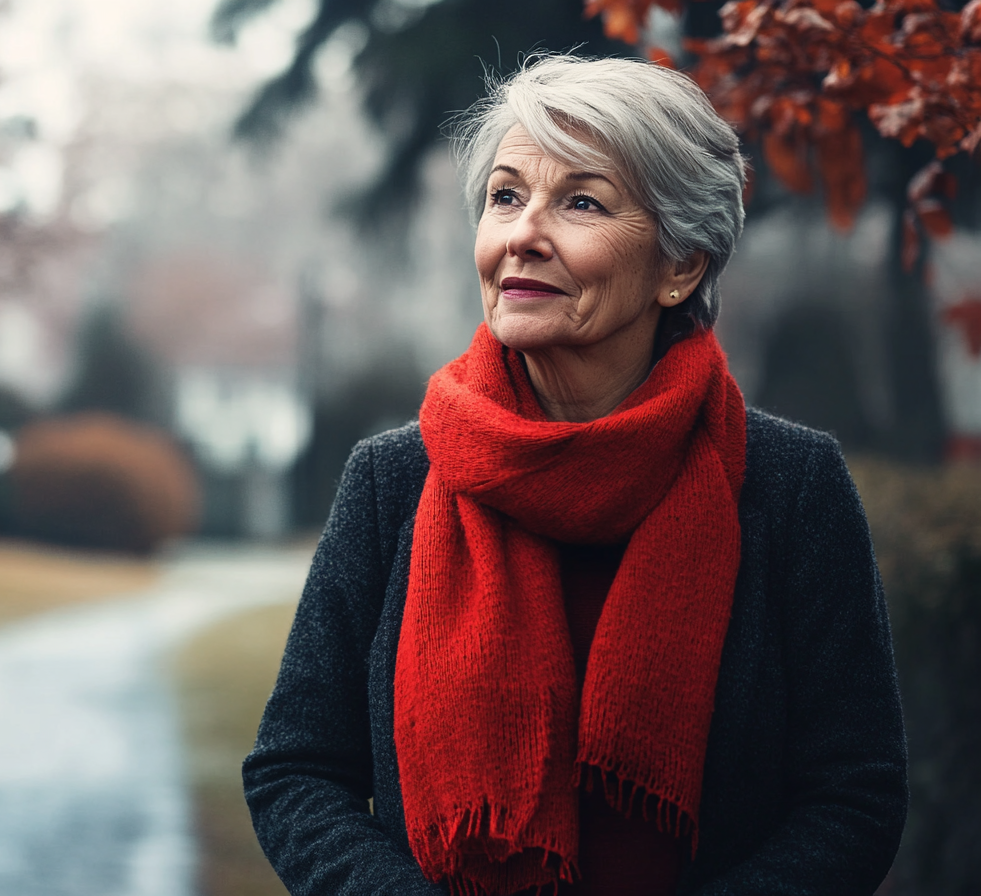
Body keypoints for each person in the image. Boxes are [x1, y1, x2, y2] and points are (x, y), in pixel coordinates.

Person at [243, 55, 908, 896]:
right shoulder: (393, 480)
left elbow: (855, 796)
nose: (523, 233)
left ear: (682, 266)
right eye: (506, 196)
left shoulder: (790, 486)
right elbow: (295, 772)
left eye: (582, 201)